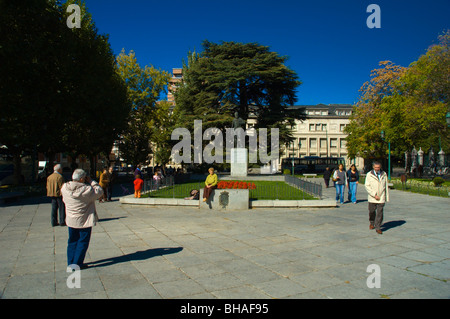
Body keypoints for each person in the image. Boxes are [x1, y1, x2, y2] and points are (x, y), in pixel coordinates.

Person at [61, 169, 103, 270]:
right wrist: (91, 181)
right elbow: (99, 191)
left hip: (71, 219)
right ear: (81, 179)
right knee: (82, 241)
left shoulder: (65, 187)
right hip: (84, 220)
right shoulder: (86, 190)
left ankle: (70, 262)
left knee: (72, 241)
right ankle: (77, 263)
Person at [365, 161, 390, 234]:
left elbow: (386, 186)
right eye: (376, 167)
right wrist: (373, 194)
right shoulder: (369, 174)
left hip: (381, 196)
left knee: (380, 213)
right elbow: (367, 186)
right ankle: (372, 222)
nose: (377, 169)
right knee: (372, 211)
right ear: (373, 167)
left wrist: (386, 197)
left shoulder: (384, 174)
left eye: (378, 167)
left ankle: (378, 227)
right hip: (372, 197)